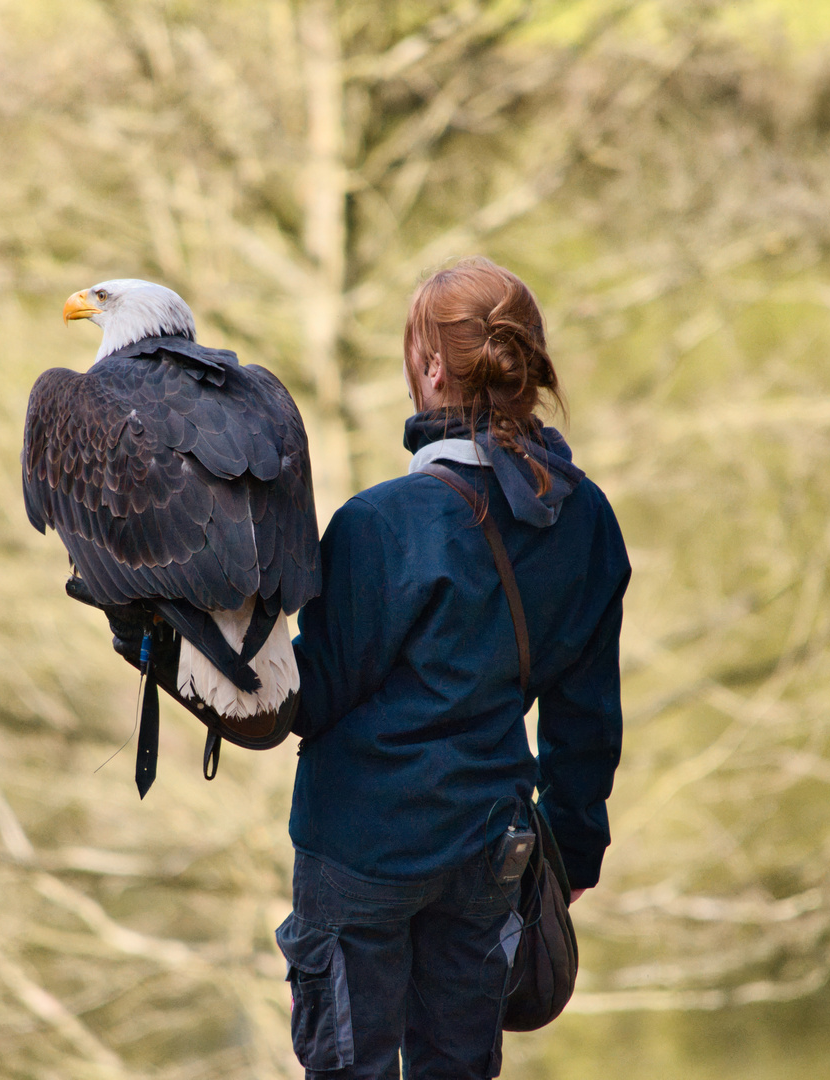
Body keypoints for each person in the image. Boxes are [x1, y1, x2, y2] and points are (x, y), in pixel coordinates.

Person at [278, 257, 631, 1079]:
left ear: (432, 367)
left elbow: (314, 695)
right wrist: (574, 850)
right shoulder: (586, 520)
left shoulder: (381, 524)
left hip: (361, 853)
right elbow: (586, 718)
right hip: (488, 851)